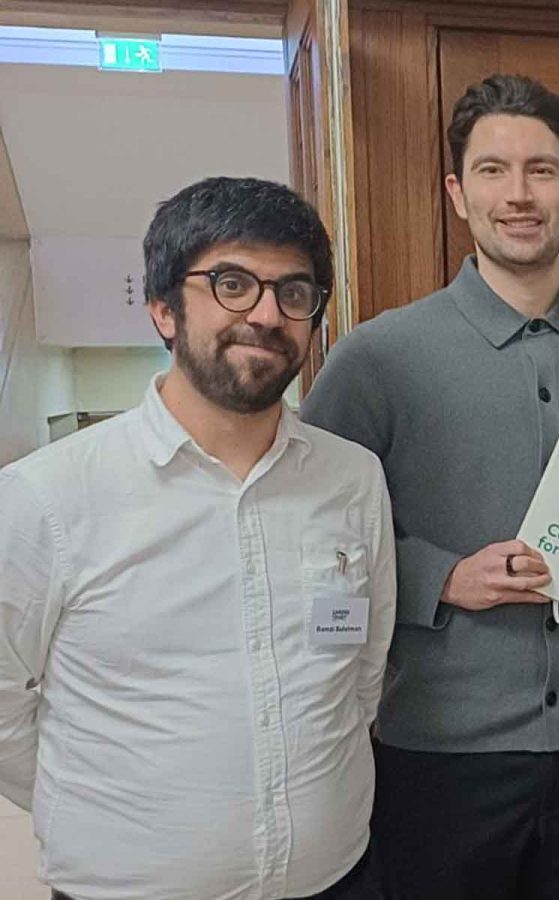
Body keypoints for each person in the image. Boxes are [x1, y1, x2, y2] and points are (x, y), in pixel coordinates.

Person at [301, 73, 559, 900]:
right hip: (439, 756)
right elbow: (311, 541)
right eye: (492, 170)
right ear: (456, 191)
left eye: (542, 170)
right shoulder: (377, 360)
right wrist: (440, 578)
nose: (519, 194)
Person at [0, 177, 395, 900]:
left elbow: (362, 674)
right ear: (163, 310)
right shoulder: (47, 497)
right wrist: (113, 811)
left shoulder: (352, 478)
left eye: (294, 292)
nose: (267, 315)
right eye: (232, 284)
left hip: (339, 880)